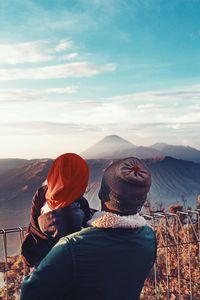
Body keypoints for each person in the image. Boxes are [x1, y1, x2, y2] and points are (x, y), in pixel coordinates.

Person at [20, 157, 157, 300]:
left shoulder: (72, 246)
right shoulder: (149, 238)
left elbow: (30, 292)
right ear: (142, 200)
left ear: (101, 194)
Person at [21, 153, 91, 267]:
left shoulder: (41, 193)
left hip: (39, 260)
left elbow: (33, 227)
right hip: (68, 267)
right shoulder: (79, 205)